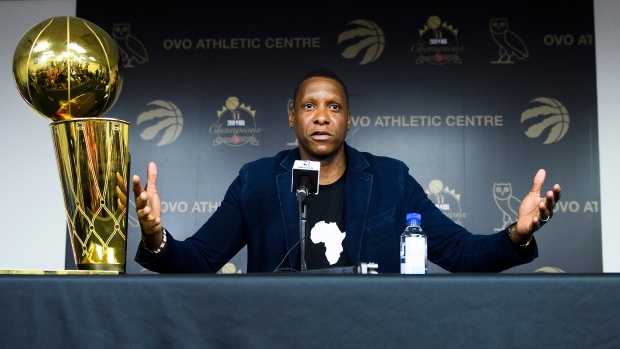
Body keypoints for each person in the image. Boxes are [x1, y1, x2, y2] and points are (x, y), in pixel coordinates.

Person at [132, 68, 561, 273]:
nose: (321, 117)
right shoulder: (257, 181)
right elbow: (201, 259)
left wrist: (517, 234)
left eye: (333, 107)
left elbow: (461, 253)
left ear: (349, 119)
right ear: (291, 118)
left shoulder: (392, 180)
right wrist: (155, 237)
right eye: (309, 106)